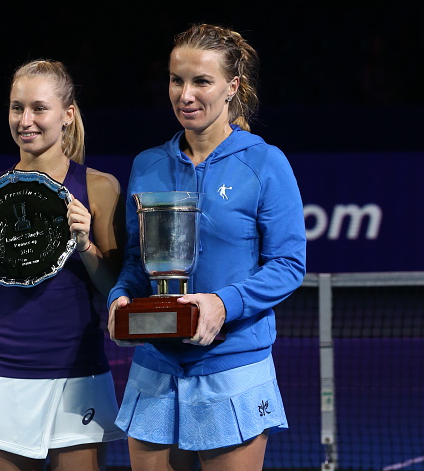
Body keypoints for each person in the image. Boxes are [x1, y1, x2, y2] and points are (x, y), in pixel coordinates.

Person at [107, 24, 307, 471]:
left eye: (202, 81)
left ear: (232, 87)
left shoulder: (265, 163)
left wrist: (222, 303)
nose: (185, 94)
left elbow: (289, 264)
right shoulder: (147, 165)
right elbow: (138, 262)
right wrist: (119, 298)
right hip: (154, 369)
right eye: (177, 80)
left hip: (232, 369)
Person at [0, 59, 126, 471]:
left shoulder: (99, 188)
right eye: (16, 108)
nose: (25, 120)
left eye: (38, 108)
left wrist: (85, 246)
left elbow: (115, 287)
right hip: (6, 376)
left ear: (67, 115)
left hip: (78, 376)